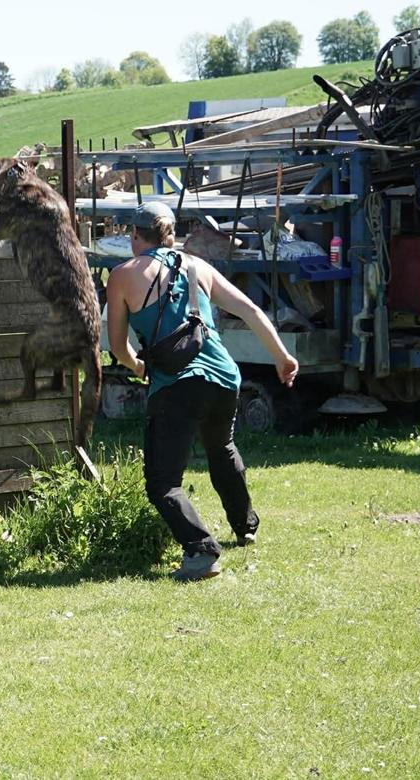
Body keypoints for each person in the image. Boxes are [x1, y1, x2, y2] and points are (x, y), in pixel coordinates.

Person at [105, 201, 299, 582]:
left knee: (163, 482)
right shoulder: (197, 267)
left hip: (177, 384)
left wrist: (137, 365)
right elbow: (251, 311)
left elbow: (117, 347)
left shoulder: (124, 275)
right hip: (224, 376)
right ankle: (245, 527)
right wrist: (282, 356)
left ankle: (201, 550)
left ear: (134, 236)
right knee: (221, 448)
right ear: (171, 235)